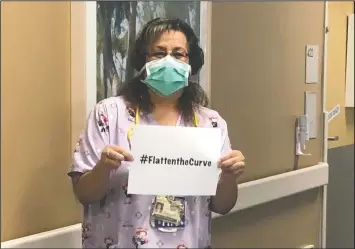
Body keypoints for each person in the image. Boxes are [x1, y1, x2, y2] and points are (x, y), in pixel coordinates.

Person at [68, 18, 245, 249]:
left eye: (178, 54)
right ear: (143, 60)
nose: (169, 61)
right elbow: (84, 194)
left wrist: (230, 176)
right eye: (159, 53)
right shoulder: (110, 114)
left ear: (191, 63)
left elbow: (222, 206)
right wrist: (104, 167)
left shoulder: (210, 123)